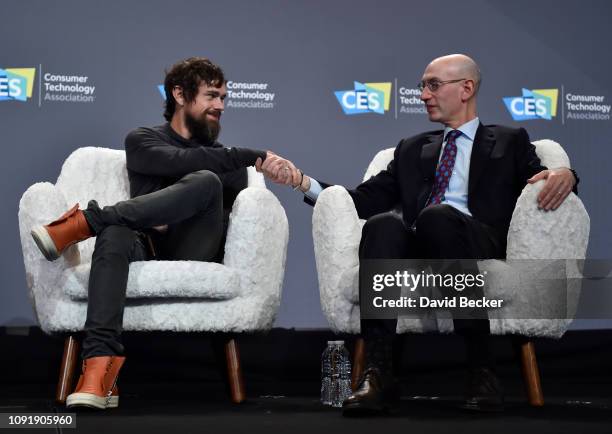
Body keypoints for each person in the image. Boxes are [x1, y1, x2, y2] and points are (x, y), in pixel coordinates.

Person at [260, 54, 579, 414]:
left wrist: (567, 173)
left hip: (477, 238)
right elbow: (361, 201)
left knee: (438, 217)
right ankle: (379, 372)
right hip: (421, 236)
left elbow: (543, 179)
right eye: (421, 86)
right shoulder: (412, 148)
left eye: (433, 85)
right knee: (382, 225)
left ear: (466, 88)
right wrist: (301, 182)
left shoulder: (509, 141)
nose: (423, 95)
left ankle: (481, 368)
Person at [30, 57, 278, 410]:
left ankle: (86, 222)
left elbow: (207, 181)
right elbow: (176, 162)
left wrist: (231, 164)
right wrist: (246, 157)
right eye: (211, 96)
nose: (220, 106)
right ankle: (99, 368)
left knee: (205, 181)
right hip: (142, 244)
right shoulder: (143, 140)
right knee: (116, 231)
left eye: (224, 98)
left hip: (194, 247)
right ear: (179, 93)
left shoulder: (227, 160)